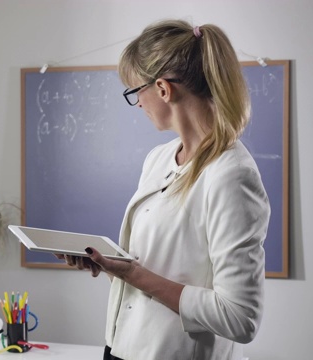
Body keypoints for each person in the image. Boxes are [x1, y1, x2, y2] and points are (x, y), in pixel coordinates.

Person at [59, 20, 271, 360]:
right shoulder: (159, 159)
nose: (137, 103)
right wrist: (115, 266)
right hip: (121, 348)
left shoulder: (231, 175)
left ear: (162, 89)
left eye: (134, 92)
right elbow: (158, 268)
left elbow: (240, 317)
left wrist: (134, 274)